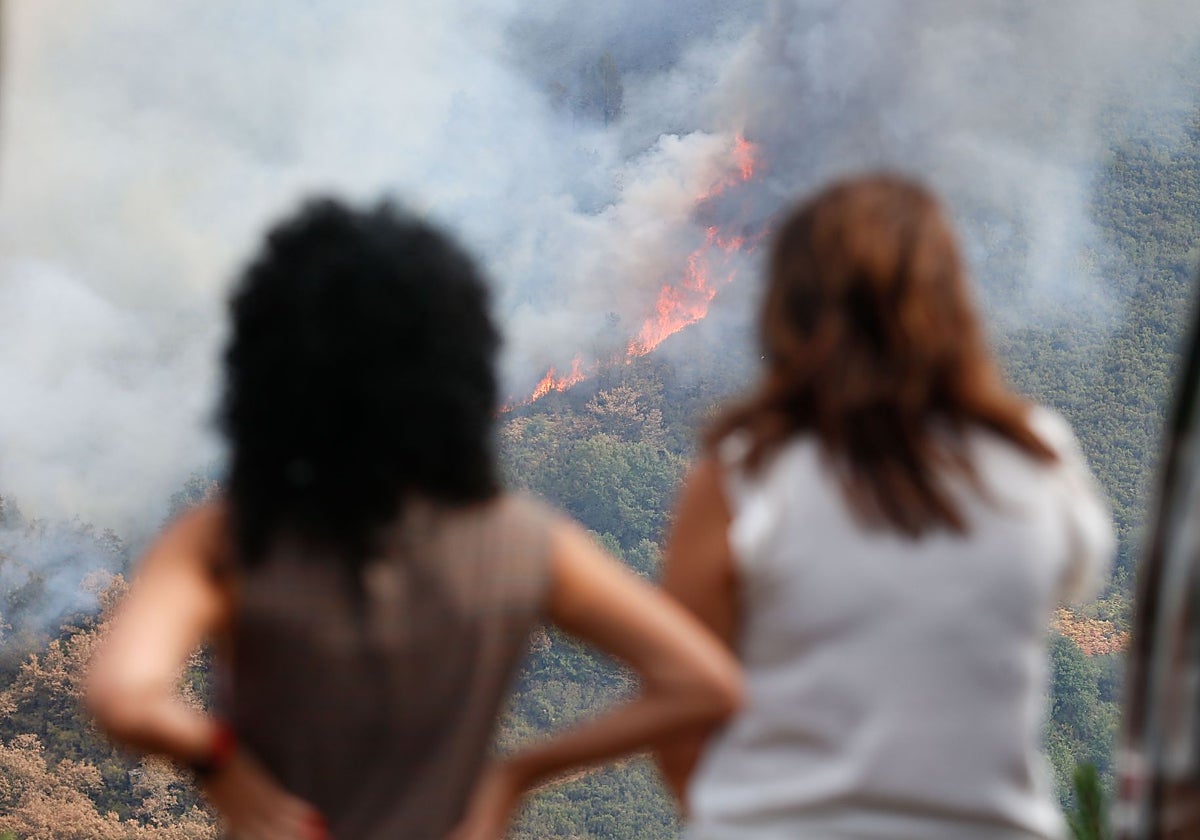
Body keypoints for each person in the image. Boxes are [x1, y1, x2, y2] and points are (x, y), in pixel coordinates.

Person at [86, 200, 742, 840]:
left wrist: (220, 762)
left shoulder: (226, 536)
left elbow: (124, 696)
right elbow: (705, 683)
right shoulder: (525, 541)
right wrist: (515, 774)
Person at [654, 174, 1115, 840]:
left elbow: (678, 723)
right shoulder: (1037, 458)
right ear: (951, 305)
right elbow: (1077, 576)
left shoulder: (741, 471)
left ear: (788, 307)